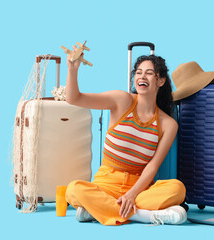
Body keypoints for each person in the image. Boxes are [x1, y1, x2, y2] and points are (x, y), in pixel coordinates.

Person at [64, 45, 187, 226]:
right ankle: (143, 216)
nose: (142, 77)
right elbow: (74, 99)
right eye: (138, 73)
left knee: (178, 188)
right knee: (74, 189)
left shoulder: (169, 124)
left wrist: (131, 194)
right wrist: (72, 70)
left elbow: (152, 166)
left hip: (139, 187)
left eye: (149, 73)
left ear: (160, 81)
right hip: (106, 184)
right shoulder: (122, 100)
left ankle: (98, 210)